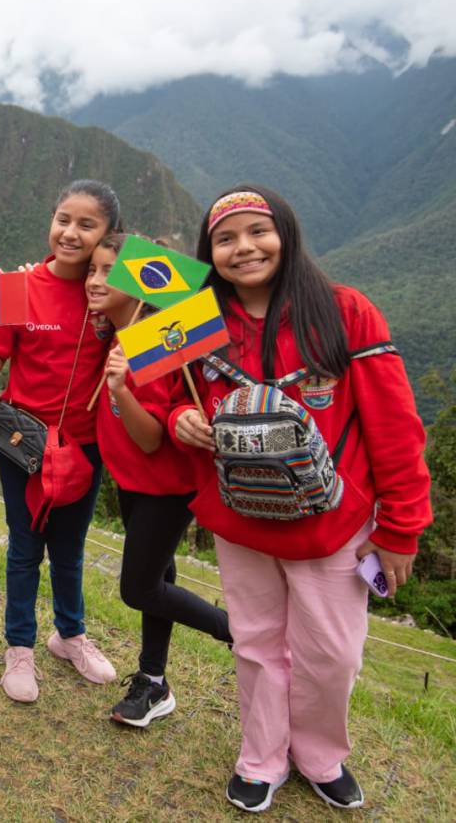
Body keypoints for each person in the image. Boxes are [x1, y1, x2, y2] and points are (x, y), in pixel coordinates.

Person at [171, 186, 431, 813]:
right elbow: (168, 396)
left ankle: (319, 753)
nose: (244, 248)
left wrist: (400, 527)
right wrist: (184, 415)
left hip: (331, 522)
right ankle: (262, 756)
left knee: (334, 653)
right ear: (210, 252)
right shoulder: (193, 318)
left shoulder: (344, 313)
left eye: (258, 231)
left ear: (285, 234)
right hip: (240, 516)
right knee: (256, 641)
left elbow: (394, 426)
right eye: (226, 239)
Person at [0, 180, 121, 702]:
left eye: (86, 224)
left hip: (85, 444)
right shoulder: (22, 284)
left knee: (70, 548)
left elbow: (154, 339)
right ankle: (19, 647)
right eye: (63, 219)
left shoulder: (111, 295)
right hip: (24, 441)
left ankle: (70, 635)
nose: (70, 233)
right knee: (24, 545)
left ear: (108, 236)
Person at [86, 233, 232, 727]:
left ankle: (236, 631)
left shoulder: (156, 341)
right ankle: (153, 681)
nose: (96, 280)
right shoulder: (115, 330)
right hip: (132, 482)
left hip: (165, 486)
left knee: (139, 588)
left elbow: (150, 438)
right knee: (160, 578)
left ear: (137, 285)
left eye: (109, 272)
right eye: (93, 270)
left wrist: (121, 389)